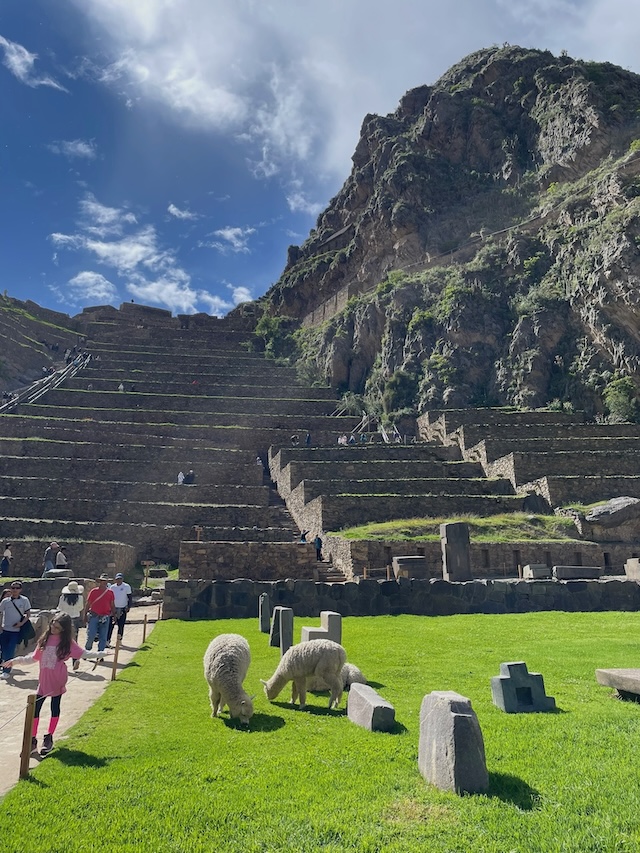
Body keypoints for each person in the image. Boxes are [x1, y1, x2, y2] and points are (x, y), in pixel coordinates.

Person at [3, 612, 102, 755]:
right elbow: (33, 658)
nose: (53, 629)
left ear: (64, 629)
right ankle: (32, 740)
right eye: (52, 625)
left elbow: (83, 653)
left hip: (57, 680)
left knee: (54, 708)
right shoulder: (45, 639)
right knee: (35, 710)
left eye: (57, 628)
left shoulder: (67, 642)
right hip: (44, 680)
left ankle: (49, 737)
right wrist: (16, 661)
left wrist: (101, 654)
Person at [0, 581, 31, 678]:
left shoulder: (24, 600)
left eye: (17, 588)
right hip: (5, 629)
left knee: (10, 650)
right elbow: (0, 613)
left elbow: (28, 614)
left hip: (16, 631)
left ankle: (6, 671)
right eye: (13, 588)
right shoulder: (5, 601)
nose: (15, 590)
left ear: (20, 589)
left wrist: (21, 623)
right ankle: (8, 665)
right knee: (4, 650)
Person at [83, 574, 116, 655]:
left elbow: (112, 605)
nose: (104, 583)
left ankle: (100, 654)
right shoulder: (93, 591)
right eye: (102, 581)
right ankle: (87, 651)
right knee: (91, 635)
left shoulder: (110, 592)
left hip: (105, 616)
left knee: (103, 636)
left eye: (105, 581)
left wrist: (114, 615)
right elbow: (88, 604)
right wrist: (85, 615)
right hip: (94, 615)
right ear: (100, 582)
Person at [57, 581, 84, 671]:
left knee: (61, 640)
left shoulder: (63, 597)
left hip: (64, 619)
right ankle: (75, 659)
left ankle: (60, 661)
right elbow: (80, 608)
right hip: (75, 619)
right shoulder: (80, 598)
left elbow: (60, 608)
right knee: (74, 640)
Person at [107, 573, 132, 646]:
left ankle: (119, 639)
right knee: (110, 625)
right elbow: (109, 598)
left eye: (120, 579)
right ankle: (108, 640)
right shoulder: (112, 587)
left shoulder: (126, 586)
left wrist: (129, 606)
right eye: (117, 579)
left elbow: (129, 597)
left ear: (122, 579)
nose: (119, 580)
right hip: (113, 609)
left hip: (122, 608)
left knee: (121, 625)